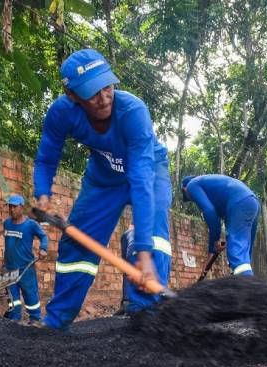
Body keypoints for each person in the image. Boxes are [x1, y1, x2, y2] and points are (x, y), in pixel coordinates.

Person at [33, 48, 172, 329]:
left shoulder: (133, 112)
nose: (104, 96)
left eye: (107, 86)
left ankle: (146, 316)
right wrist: (43, 195)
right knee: (77, 240)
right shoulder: (62, 113)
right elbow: (47, 157)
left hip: (149, 170)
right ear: (73, 96)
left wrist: (143, 255)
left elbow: (142, 182)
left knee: (153, 233)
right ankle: (57, 322)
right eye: (92, 92)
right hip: (103, 177)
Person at [182, 174, 259, 277]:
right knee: (244, 257)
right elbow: (215, 218)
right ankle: (243, 281)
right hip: (252, 202)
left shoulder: (192, 185)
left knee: (237, 255)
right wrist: (211, 250)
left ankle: (247, 289)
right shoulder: (210, 185)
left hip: (238, 203)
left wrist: (215, 240)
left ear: (184, 188)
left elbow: (210, 212)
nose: (192, 199)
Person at [3, 194, 48, 325]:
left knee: (30, 294)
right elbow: (8, 245)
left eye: (15, 207)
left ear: (21, 207)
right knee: (13, 297)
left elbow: (43, 236)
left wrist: (43, 248)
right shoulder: (7, 223)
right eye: (10, 207)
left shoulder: (30, 225)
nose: (12, 210)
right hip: (10, 267)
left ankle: (35, 319)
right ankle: (14, 319)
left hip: (25, 268)